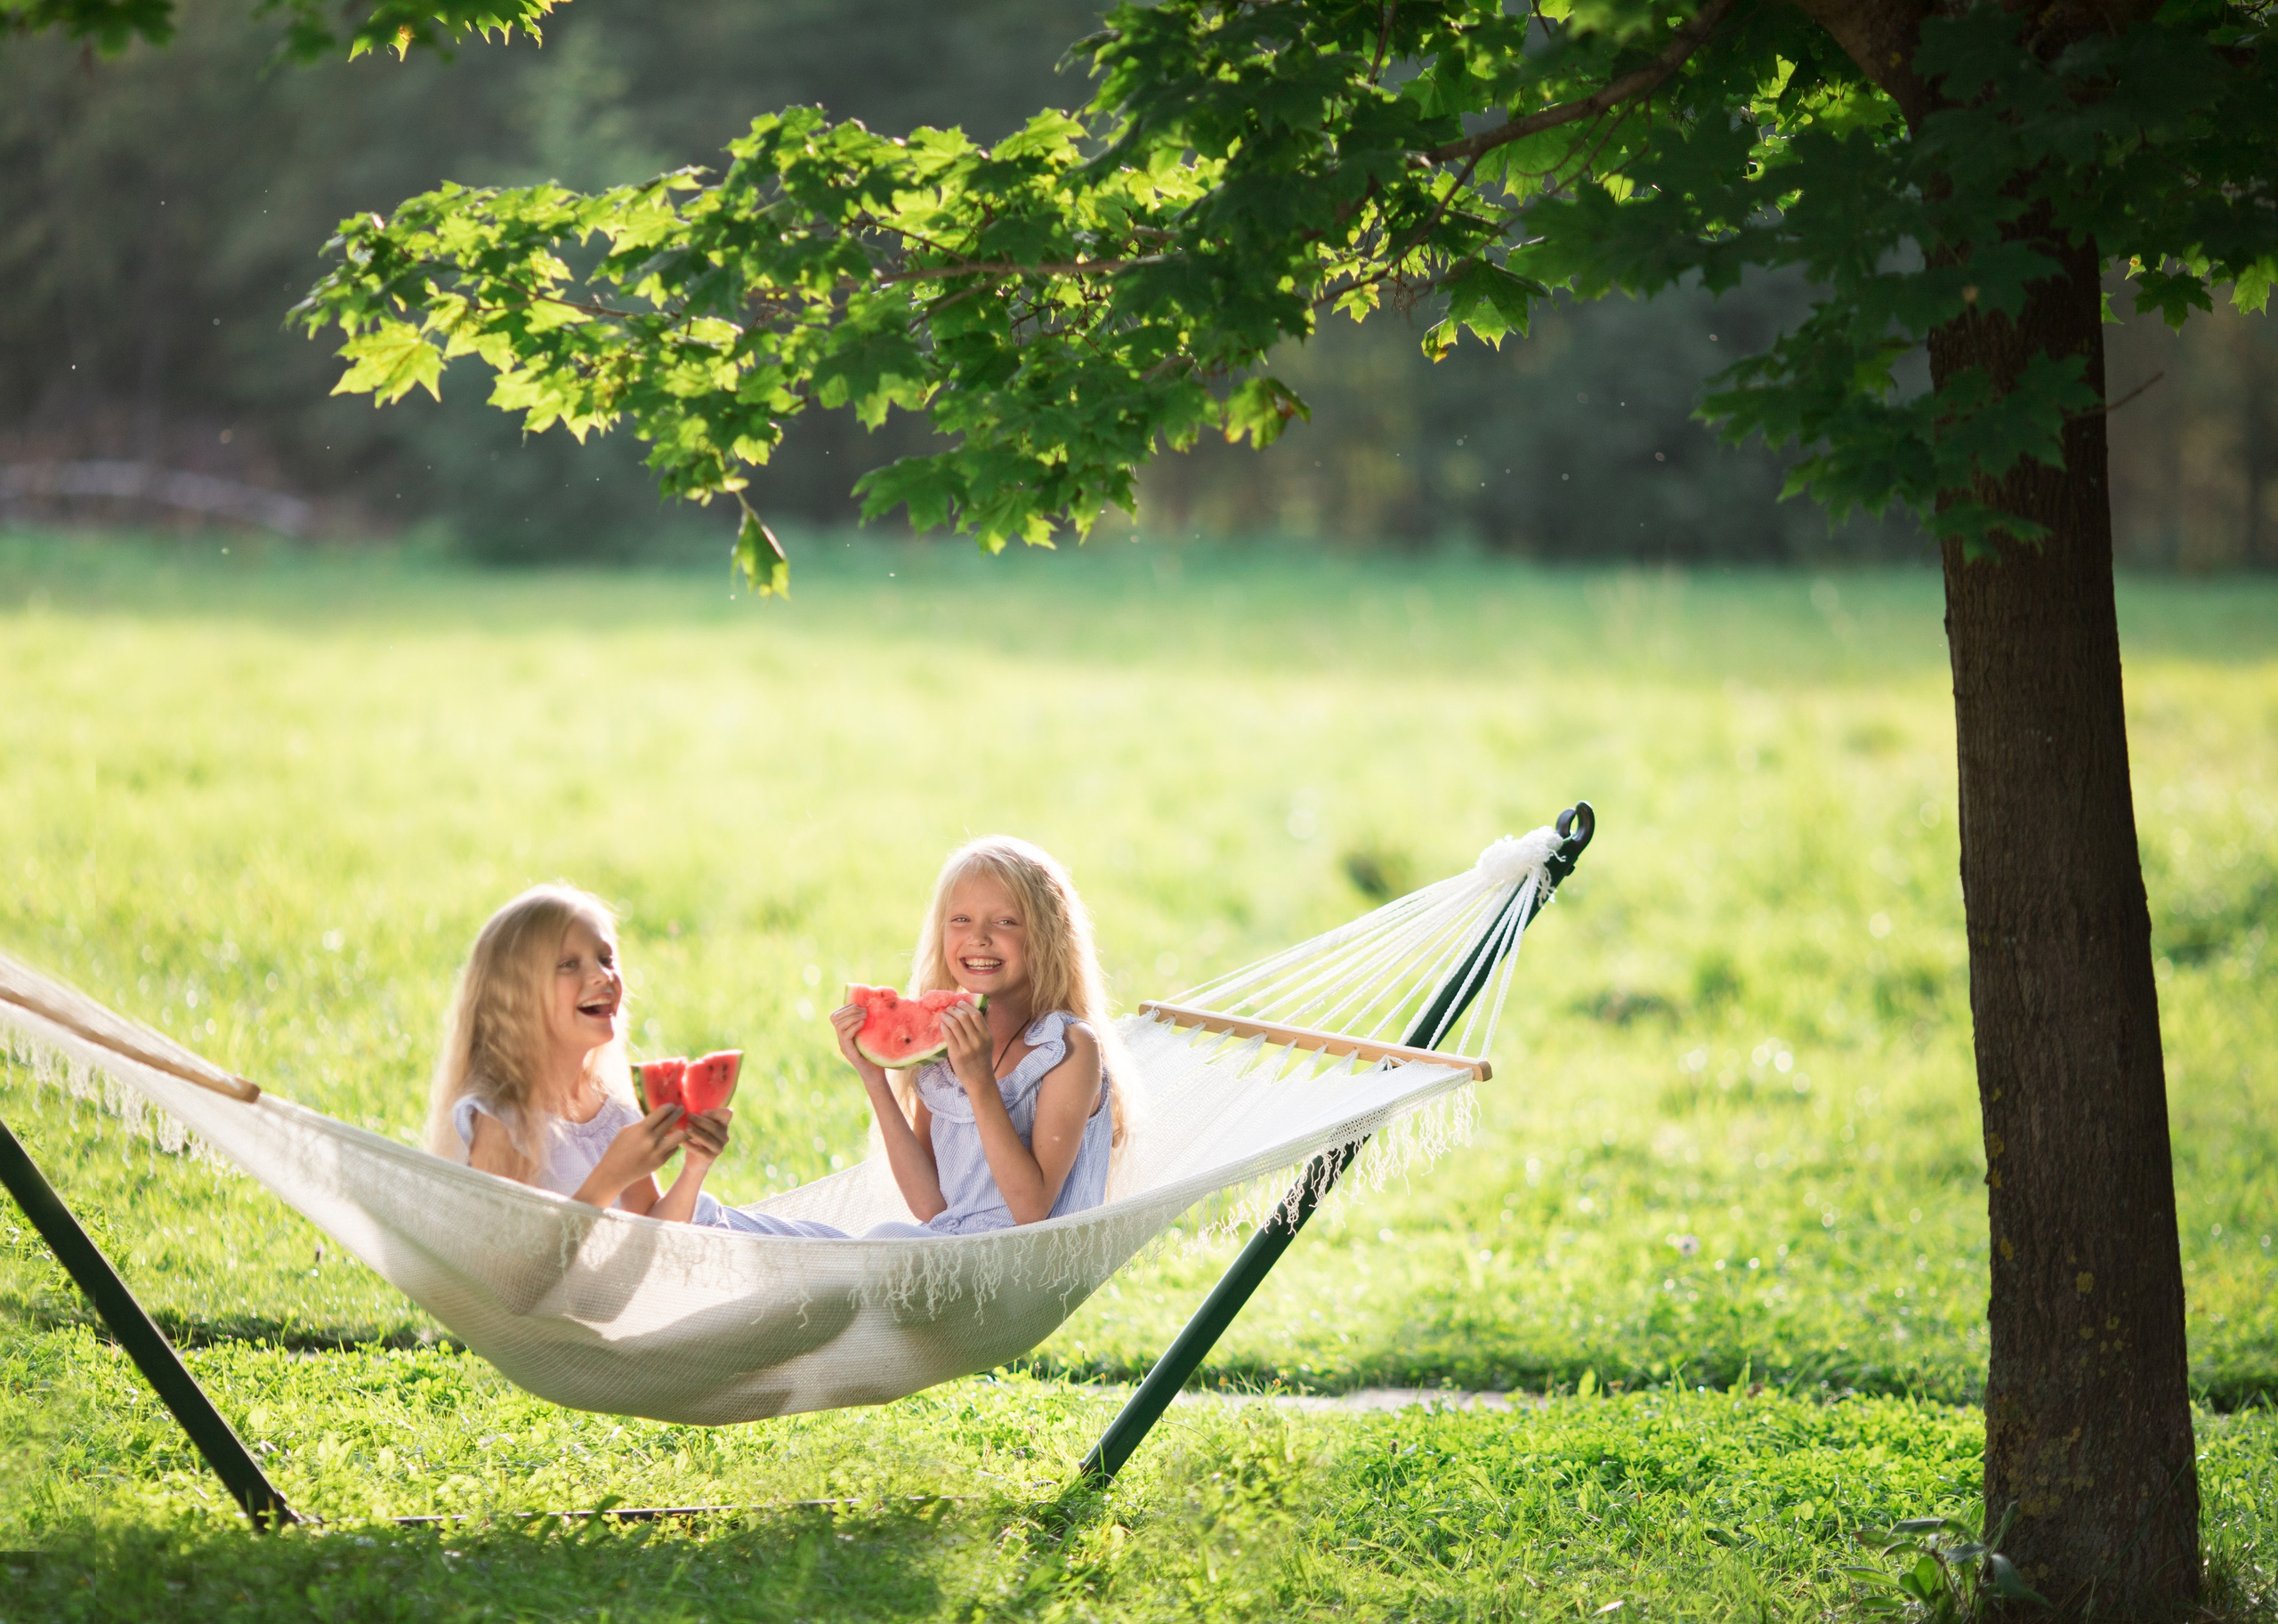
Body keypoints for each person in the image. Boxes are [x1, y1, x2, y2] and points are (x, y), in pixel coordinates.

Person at [425, 883, 839, 1235]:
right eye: (569, 964)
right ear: (514, 997)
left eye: (606, 959)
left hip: (711, 1241)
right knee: (877, 1266)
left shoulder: (613, 1105)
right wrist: (611, 1176)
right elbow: (515, 1280)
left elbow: (652, 1234)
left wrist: (695, 1167)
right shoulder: (502, 1120)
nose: (604, 976)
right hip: (694, 1282)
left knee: (885, 1243)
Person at [832, 836, 1126, 1235]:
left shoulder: (1069, 1049)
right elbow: (929, 1205)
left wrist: (979, 1082)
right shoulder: (946, 1041)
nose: (979, 937)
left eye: (1005, 921)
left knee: (886, 1239)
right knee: (724, 1218)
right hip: (945, 1255)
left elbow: (1031, 1210)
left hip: (1018, 1274)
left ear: (1046, 937)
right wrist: (874, 1078)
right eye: (960, 920)